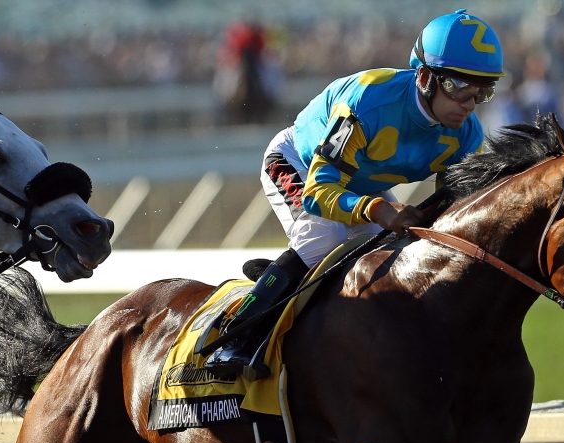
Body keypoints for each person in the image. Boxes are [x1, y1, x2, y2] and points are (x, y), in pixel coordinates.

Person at [205, 8, 505, 377]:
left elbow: (454, 211)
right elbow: (318, 192)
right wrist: (380, 210)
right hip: (299, 162)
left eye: (482, 91)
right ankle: (235, 336)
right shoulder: (369, 101)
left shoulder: (467, 135)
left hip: (361, 186)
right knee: (323, 237)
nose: (470, 104)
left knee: (395, 258)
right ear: (424, 77)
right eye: (458, 87)